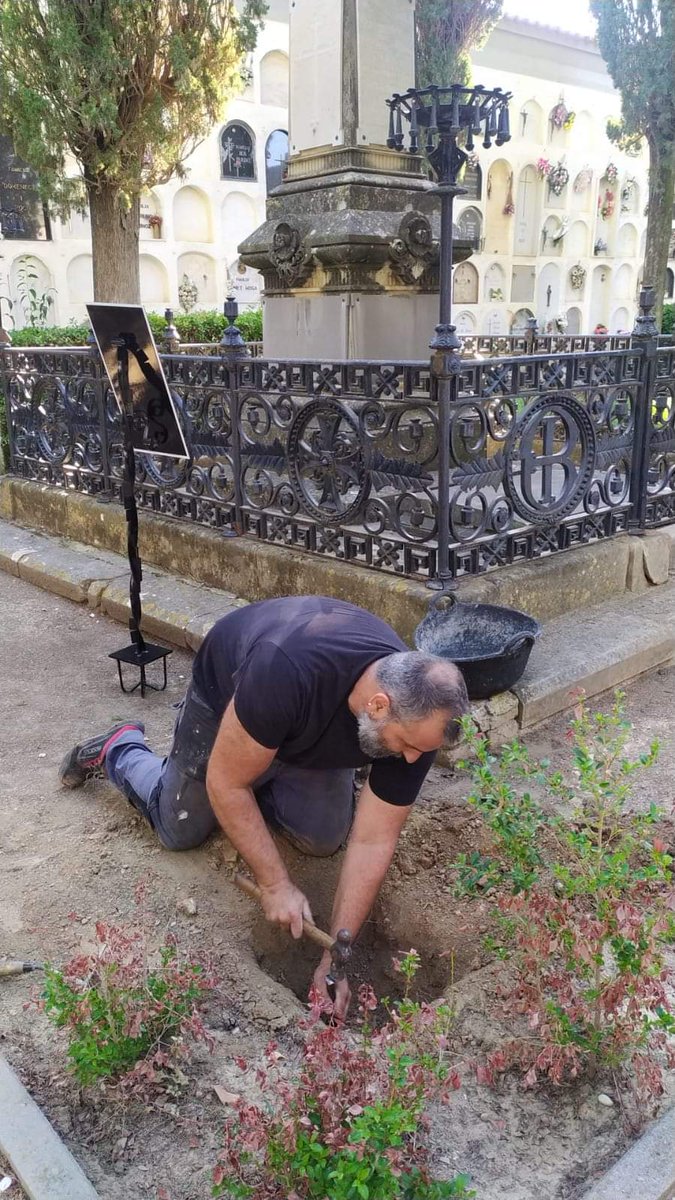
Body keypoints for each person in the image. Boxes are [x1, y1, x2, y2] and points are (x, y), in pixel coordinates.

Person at [60, 595, 468, 1017]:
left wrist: (335, 959)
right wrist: (274, 883)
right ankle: (119, 747)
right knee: (179, 827)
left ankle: (266, 767)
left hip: (296, 727)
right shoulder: (285, 669)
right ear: (378, 706)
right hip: (229, 700)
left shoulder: (417, 730)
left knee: (324, 837)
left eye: (422, 750)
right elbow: (226, 781)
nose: (413, 760)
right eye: (407, 746)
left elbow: (373, 837)